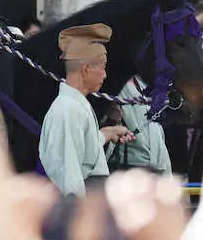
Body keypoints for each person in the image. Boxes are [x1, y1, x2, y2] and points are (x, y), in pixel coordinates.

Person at [39, 24, 134, 196]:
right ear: (86, 69)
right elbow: (70, 175)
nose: (105, 75)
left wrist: (108, 132)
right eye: (103, 67)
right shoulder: (69, 110)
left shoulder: (73, 106)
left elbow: (82, 149)